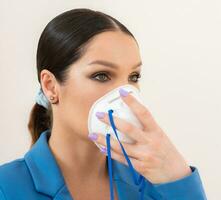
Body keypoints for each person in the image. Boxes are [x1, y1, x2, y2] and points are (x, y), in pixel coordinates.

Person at [0, 8, 207, 200]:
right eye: (101, 75)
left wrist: (178, 176)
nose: (125, 94)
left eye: (133, 77)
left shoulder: (157, 183)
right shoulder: (6, 187)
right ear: (51, 86)